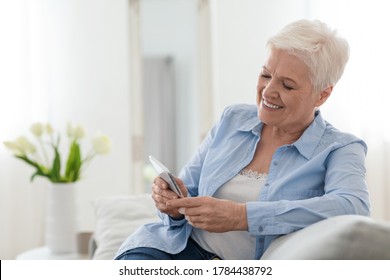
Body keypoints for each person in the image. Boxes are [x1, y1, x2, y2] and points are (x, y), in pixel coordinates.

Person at [115, 19, 370, 260]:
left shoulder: (340, 148)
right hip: (172, 250)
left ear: (322, 95)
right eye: (265, 75)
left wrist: (242, 216)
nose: (268, 91)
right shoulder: (232, 119)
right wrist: (172, 204)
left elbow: (353, 206)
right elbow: (189, 191)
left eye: (287, 85)